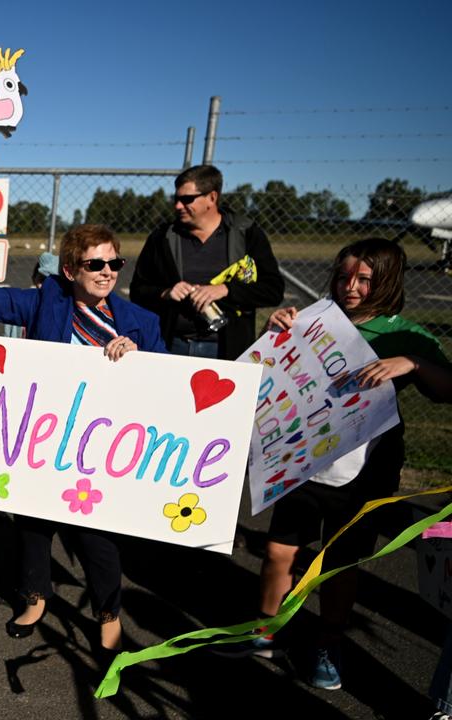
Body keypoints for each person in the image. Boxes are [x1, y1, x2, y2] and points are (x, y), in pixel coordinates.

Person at [0, 224, 165, 662]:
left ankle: (108, 613)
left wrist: (138, 360)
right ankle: (35, 597)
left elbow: (164, 382)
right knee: (33, 524)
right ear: (69, 270)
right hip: (44, 439)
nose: (106, 272)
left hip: (103, 446)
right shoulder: (49, 300)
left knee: (97, 536)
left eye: (114, 263)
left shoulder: (141, 322)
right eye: (94, 264)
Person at [235, 238, 452, 690]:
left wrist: (411, 363)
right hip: (303, 461)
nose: (351, 287)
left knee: (339, 563)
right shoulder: (315, 320)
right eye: (344, 276)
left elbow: (447, 387)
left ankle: (327, 644)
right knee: (278, 551)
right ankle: (266, 630)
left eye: (365, 280)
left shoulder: (406, 334)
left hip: (363, 471)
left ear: (387, 282)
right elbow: (272, 366)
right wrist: (278, 327)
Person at [130, 164, 284, 360]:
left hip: (226, 350)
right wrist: (166, 293)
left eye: (187, 199)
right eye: (176, 199)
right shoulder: (162, 238)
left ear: (212, 198)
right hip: (172, 346)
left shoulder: (245, 234)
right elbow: (138, 291)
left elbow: (273, 290)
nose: (178, 206)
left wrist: (226, 290)